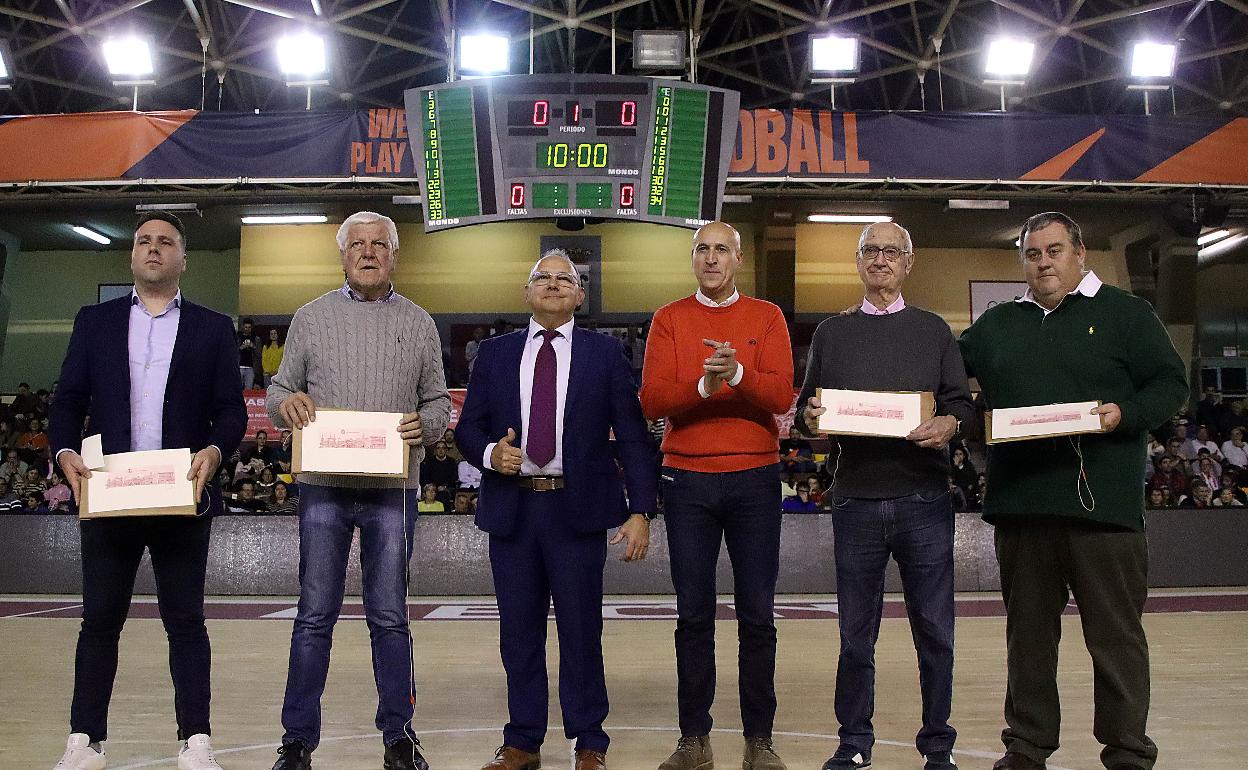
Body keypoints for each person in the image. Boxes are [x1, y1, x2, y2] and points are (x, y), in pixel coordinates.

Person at [958, 211, 1187, 770]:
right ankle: (1027, 747)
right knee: (1029, 642)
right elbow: (945, 377)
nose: (1043, 262)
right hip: (1023, 507)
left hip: (1104, 511)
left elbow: (1171, 385)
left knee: (1116, 641)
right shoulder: (996, 326)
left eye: (1054, 250)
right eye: (1033, 254)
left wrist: (1125, 413)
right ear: (1023, 262)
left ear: (1079, 253)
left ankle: (1128, 751)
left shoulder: (1127, 314)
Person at [48, 210, 248, 770]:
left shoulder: (212, 328)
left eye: (166, 242)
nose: (153, 249)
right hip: (110, 497)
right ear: (132, 257)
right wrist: (64, 451)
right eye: (144, 242)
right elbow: (66, 401)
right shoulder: (95, 321)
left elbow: (231, 411)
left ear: (183, 258)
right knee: (99, 621)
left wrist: (214, 450)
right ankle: (85, 741)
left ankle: (195, 741)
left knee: (185, 621)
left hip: (180, 496)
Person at [457, 249, 656, 770]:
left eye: (563, 279)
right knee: (518, 630)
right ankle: (522, 739)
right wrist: (488, 454)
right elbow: (466, 428)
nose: (551, 285)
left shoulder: (604, 354)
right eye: (541, 278)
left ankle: (589, 739)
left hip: (578, 510)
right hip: (514, 510)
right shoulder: (495, 354)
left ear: (580, 294)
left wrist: (642, 510)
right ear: (526, 293)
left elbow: (633, 437)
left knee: (582, 630)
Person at [266, 211, 450, 770]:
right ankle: (297, 741)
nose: (368, 253)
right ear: (342, 255)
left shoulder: (419, 322)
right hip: (322, 487)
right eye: (358, 245)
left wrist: (430, 425)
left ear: (395, 255)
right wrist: (286, 405)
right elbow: (279, 390)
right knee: (314, 613)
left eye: (379, 244)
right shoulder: (309, 317)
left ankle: (399, 735)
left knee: (390, 615)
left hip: (392, 490)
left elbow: (438, 401)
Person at [795, 221, 973, 770]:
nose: (880, 260)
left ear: (908, 262)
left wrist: (948, 424)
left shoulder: (935, 330)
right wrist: (810, 418)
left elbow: (961, 406)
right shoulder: (831, 332)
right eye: (870, 251)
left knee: (936, 633)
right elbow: (806, 413)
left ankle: (938, 747)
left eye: (890, 251)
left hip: (924, 499)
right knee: (855, 637)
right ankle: (853, 745)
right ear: (858, 261)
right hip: (856, 501)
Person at [640, 221, 794, 770]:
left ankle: (759, 740)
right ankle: (694, 740)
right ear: (693, 259)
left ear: (737, 258)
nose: (711, 258)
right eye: (702, 250)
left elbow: (780, 394)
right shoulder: (669, 319)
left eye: (721, 249)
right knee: (693, 616)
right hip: (687, 481)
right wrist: (706, 386)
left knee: (758, 615)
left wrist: (739, 372)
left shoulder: (767, 316)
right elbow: (653, 400)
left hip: (755, 478)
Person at [237, 318, 261, 390]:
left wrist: (253, 346)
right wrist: (241, 348)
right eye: (246, 327)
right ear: (242, 327)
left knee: (249, 389)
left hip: (250, 368)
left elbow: (259, 354)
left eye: (249, 327)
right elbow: (231, 352)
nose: (247, 329)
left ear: (252, 328)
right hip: (239, 367)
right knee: (237, 389)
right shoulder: (237, 337)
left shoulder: (256, 339)